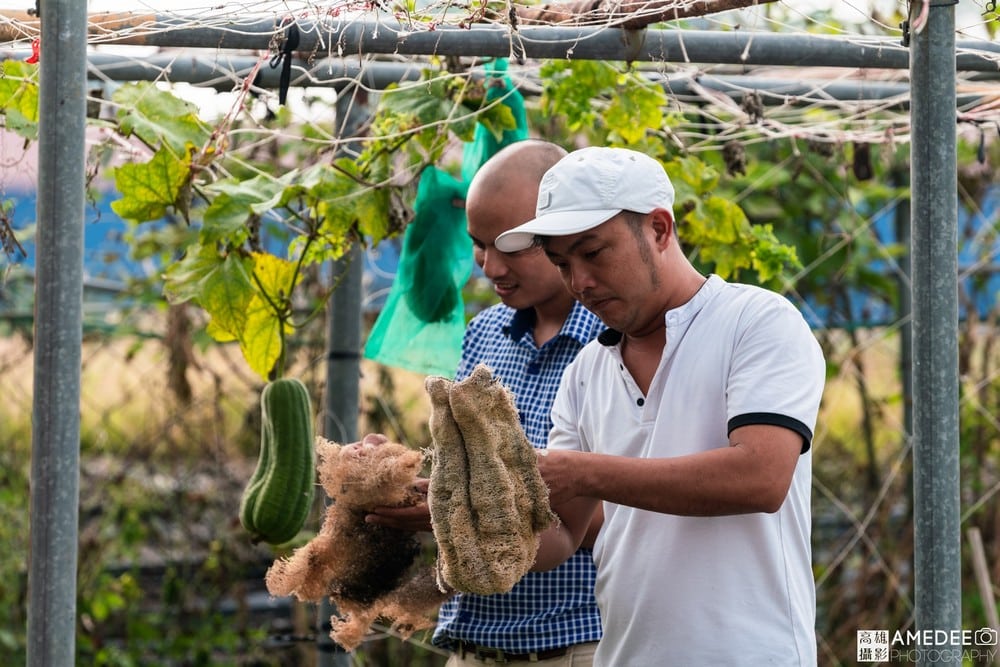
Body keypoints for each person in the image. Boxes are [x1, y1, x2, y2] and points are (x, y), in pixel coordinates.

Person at [493, 146, 826, 666]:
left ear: (660, 229)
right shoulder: (587, 371)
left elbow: (761, 477)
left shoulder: (756, 321)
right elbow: (558, 535)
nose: (578, 281)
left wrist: (586, 473)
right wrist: (448, 509)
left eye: (593, 252)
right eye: (562, 262)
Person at [368, 139, 606, 666]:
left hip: (574, 645)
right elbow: (467, 467)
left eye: (511, 246)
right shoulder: (484, 336)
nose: (490, 267)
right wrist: (407, 476)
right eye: (479, 245)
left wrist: (455, 509)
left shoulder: (616, 344)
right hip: (474, 642)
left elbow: (634, 512)